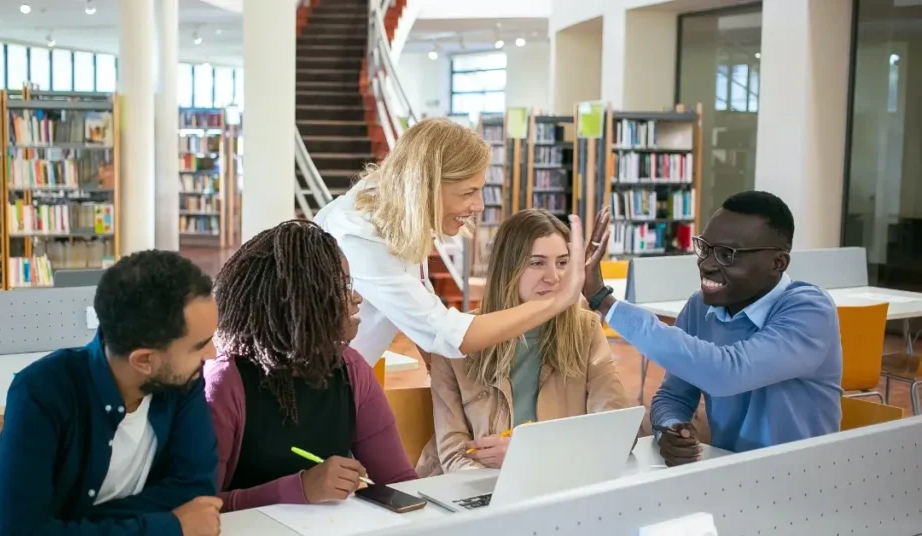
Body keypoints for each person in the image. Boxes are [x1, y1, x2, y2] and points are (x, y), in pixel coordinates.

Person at [314, 117, 608, 367]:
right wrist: (558, 300)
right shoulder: (358, 234)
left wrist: (447, 382)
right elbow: (440, 333)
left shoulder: (396, 209)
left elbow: (420, 311)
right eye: (468, 192)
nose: (479, 205)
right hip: (312, 383)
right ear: (425, 188)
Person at [582, 191, 842, 465]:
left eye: (726, 254)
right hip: (727, 474)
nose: (705, 264)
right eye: (705, 248)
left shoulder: (810, 311)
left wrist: (606, 302)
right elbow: (672, 396)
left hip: (803, 481)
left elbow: (727, 371)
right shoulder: (700, 308)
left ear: (777, 263)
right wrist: (670, 428)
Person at [0, 250, 223, 535]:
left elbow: (197, 490)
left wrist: (75, 525)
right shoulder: (41, 393)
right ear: (144, 361)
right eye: (200, 345)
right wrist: (167, 525)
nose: (212, 354)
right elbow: (18, 532)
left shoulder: (183, 380)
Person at [204, 220, 418, 512]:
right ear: (296, 301)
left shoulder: (352, 370)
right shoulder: (226, 384)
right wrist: (300, 488)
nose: (355, 298)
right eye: (341, 285)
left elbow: (399, 482)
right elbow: (197, 510)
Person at [416, 209, 631, 476]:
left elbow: (614, 430)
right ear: (508, 269)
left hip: (554, 481)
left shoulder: (585, 330)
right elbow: (453, 454)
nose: (553, 277)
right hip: (473, 487)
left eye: (562, 263)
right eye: (537, 263)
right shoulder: (456, 339)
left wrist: (528, 456)